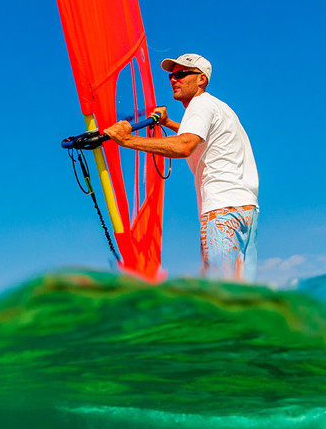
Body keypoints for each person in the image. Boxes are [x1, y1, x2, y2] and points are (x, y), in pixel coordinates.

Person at [103, 53, 260, 280]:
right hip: (246, 210)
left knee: (220, 296)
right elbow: (199, 137)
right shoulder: (219, 106)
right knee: (243, 294)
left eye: (182, 74)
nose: (174, 79)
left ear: (201, 79)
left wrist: (127, 140)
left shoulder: (199, 104)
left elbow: (185, 145)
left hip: (221, 210)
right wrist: (167, 123)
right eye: (172, 75)